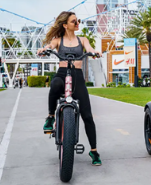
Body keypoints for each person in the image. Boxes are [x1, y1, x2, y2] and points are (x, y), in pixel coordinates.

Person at [36, 11, 103, 166]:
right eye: (74, 21)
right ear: (65, 25)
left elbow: (90, 48)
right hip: (62, 74)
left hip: (77, 78)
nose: (77, 23)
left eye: (78, 20)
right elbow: (50, 46)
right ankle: (50, 116)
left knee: (87, 116)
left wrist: (95, 53)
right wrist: (44, 49)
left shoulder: (83, 39)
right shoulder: (58, 40)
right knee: (55, 84)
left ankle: (94, 151)